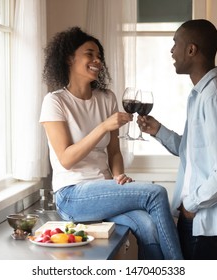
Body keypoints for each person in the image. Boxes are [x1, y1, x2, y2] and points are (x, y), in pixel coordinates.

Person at [39, 26, 182, 260]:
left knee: (148, 226)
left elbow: (114, 152)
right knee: (156, 193)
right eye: (90, 54)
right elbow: (66, 159)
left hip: (105, 190)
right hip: (73, 196)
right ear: (69, 58)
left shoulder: (106, 98)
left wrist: (118, 177)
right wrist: (103, 126)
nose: (97, 60)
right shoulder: (55, 101)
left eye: (99, 56)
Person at [137, 19, 217, 260]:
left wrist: (191, 205)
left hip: (203, 220)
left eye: (175, 44)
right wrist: (158, 131)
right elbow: (193, 152)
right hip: (196, 217)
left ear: (191, 50)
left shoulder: (213, 97)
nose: (172, 51)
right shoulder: (201, 94)